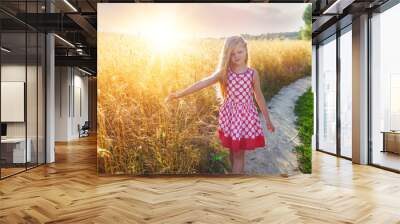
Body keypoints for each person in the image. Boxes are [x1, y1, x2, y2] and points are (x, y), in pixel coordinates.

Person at [165, 35, 275, 174]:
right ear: (227, 55)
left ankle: (234, 187)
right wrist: (179, 94)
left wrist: (267, 120)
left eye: (239, 52)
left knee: (238, 155)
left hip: (245, 119)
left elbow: (259, 97)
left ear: (246, 50)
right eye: (232, 54)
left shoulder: (252, 74)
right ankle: (236, 174)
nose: (236, 56)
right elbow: (202, 83)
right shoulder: (224, 73)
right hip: (230, 118)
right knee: (232, 151)